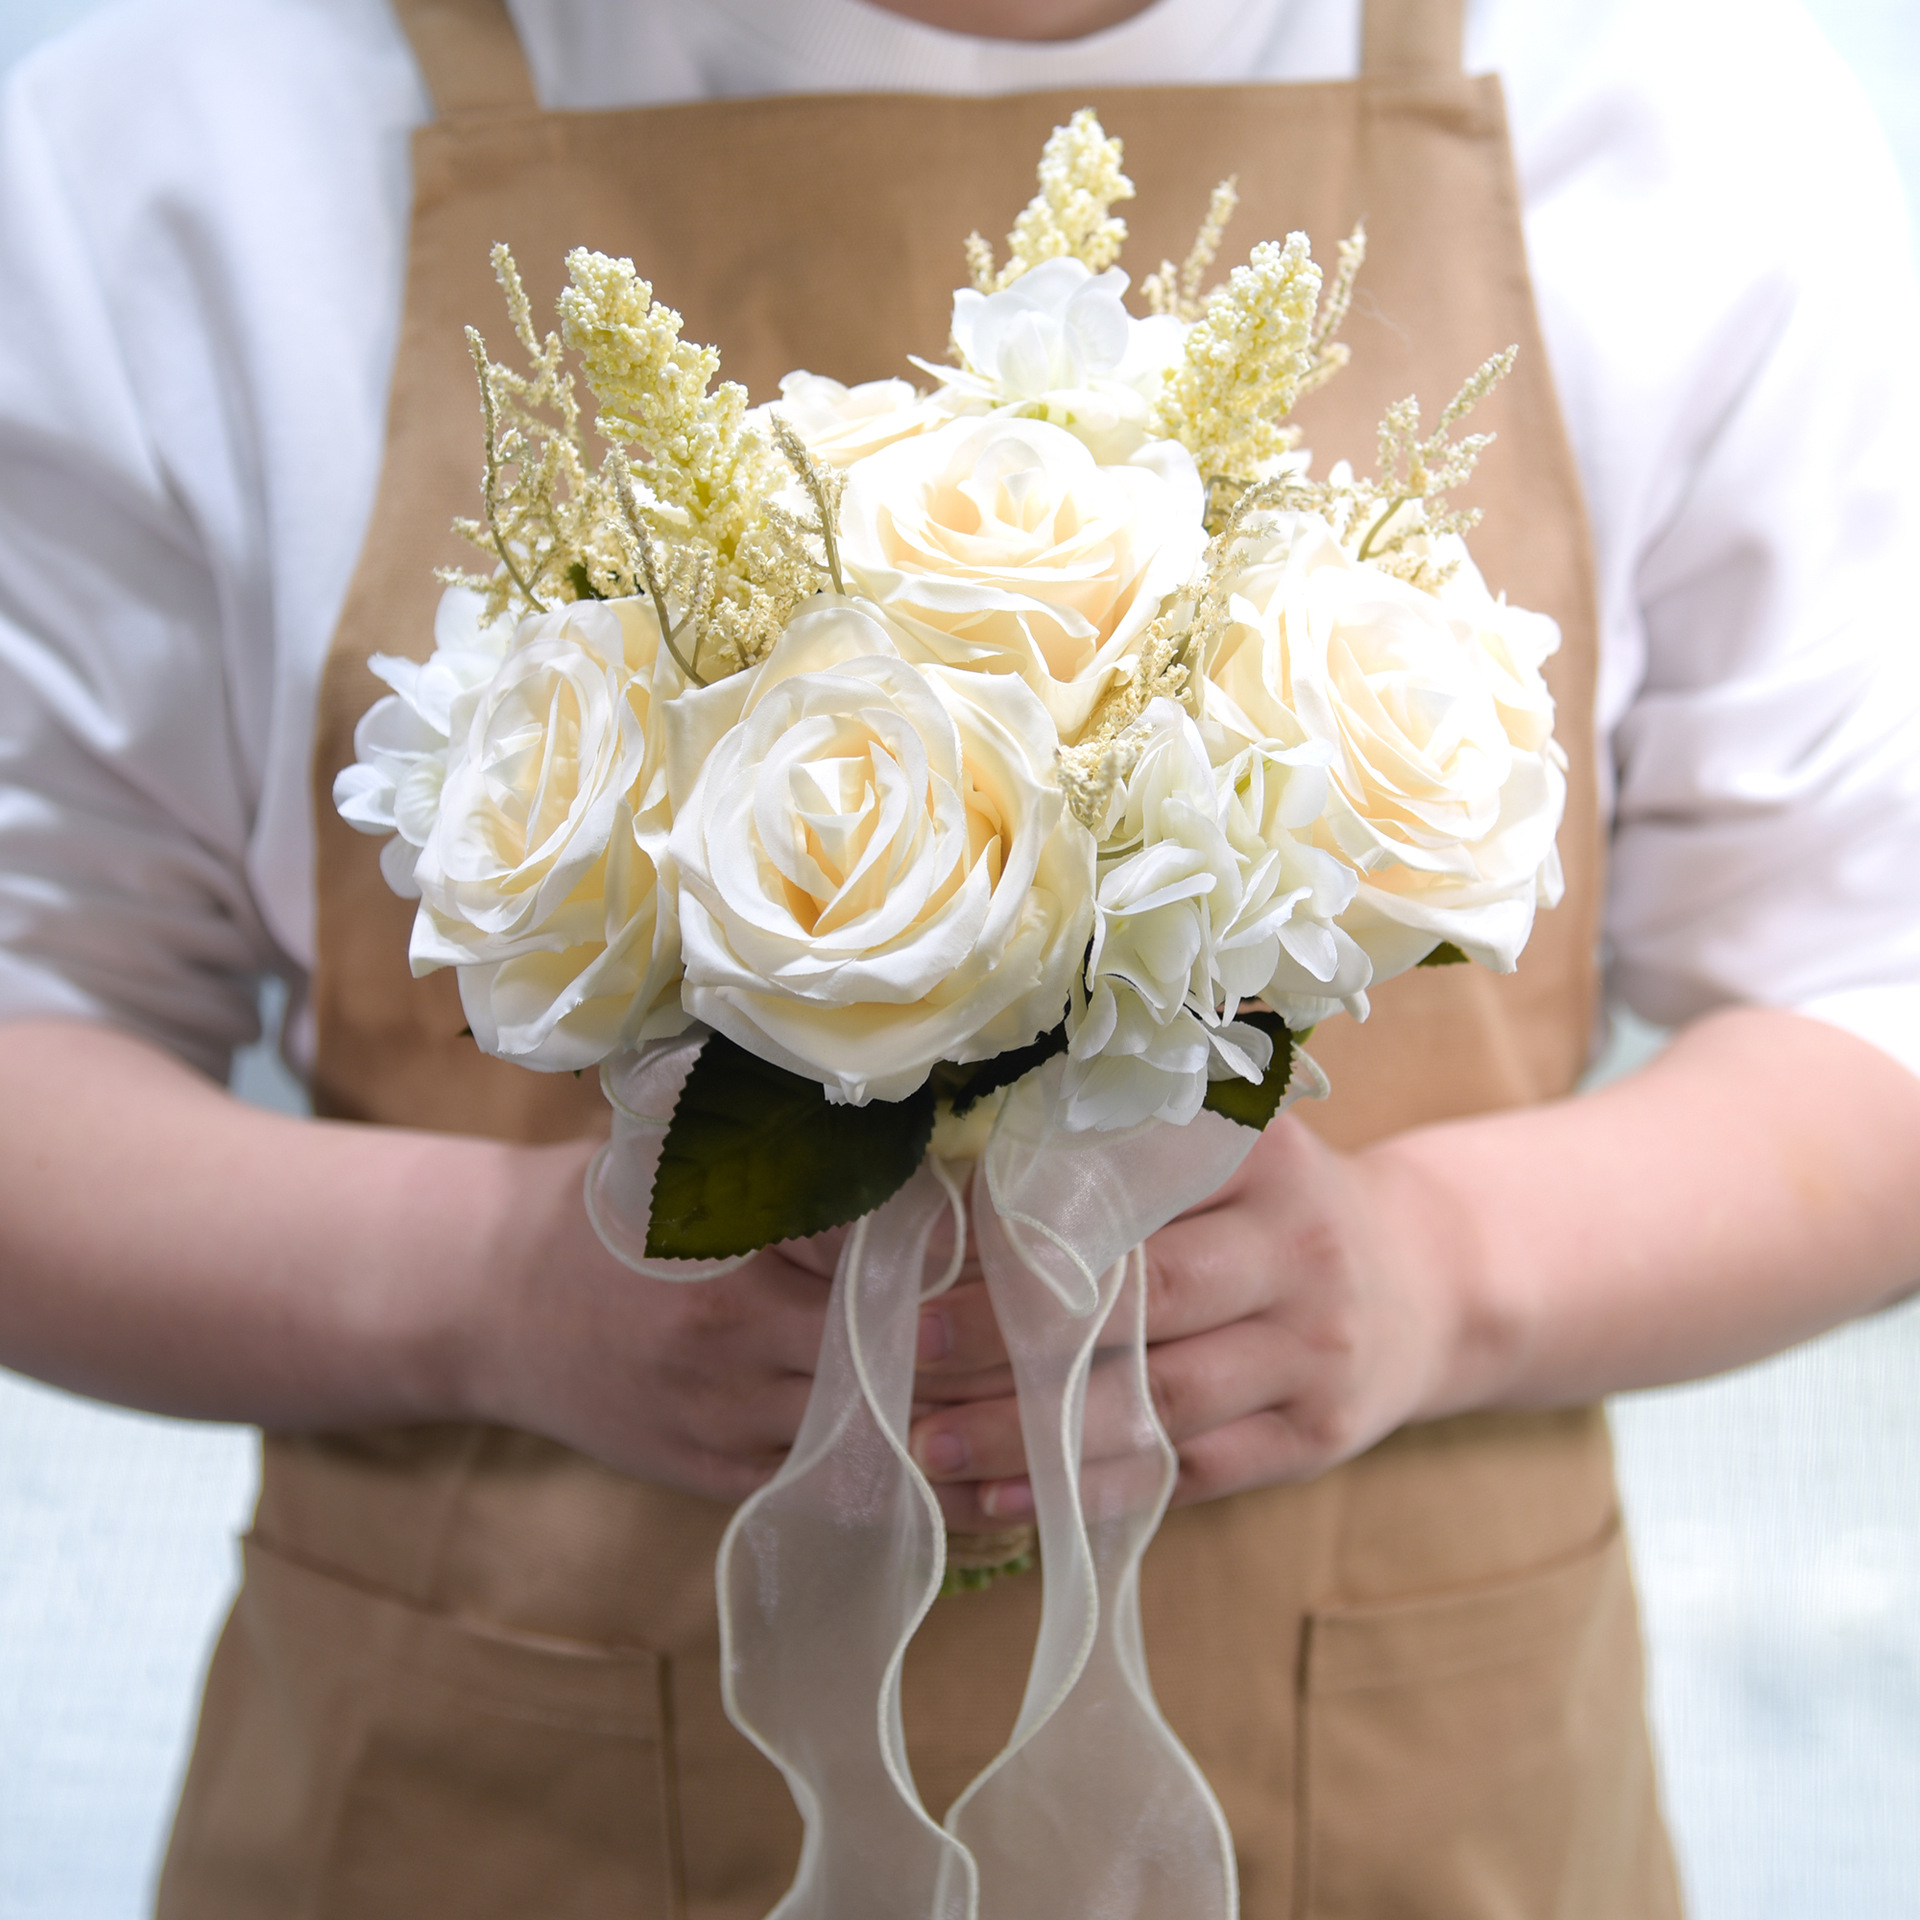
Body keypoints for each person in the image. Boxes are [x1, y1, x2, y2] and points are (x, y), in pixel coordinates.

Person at [2, 0, 1919, 1914]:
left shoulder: (1672, 111)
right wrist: (485, 1293)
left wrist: (1443, 1277)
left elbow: (1871, 1000)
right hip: (492, 1809)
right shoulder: (185, 141)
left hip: (1408, 1809)